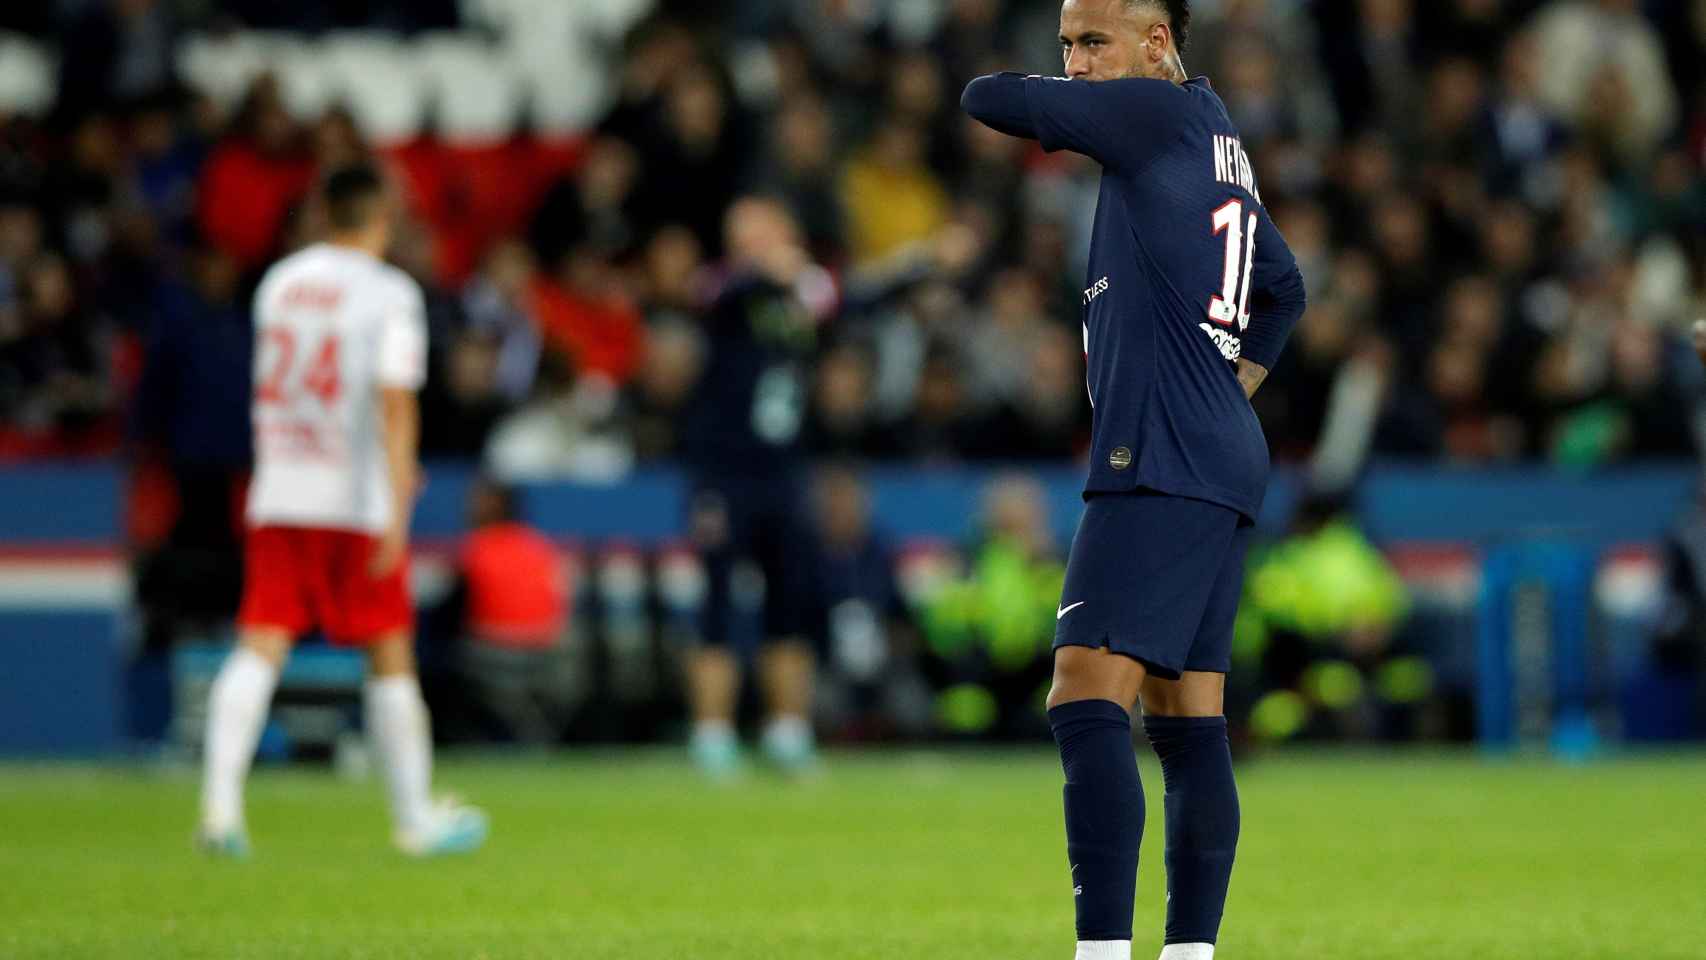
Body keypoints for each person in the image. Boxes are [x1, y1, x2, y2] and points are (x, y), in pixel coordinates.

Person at [962, 3, 1306, 959]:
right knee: (1186, 715)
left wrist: (1201, 394)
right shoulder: (1214, 136)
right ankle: (1189, 952)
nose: (1073, 63)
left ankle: (1101, 951)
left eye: (1093, 41)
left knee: (1081, 693)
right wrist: (1230, 384)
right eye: (1065, 44)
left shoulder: (1151, 115)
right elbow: (1282, 287)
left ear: (1158, 42)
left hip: (1161, 451)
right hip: (1217, 448)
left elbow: (985, 96)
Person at [196, 164, 487, 858]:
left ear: (324, 214)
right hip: (353, 497)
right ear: (382, 218)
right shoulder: (389, 294)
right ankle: (415, 820)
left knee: (260, 643)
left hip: (281, 487)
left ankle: (219, 813)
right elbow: (393, 401)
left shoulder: (280, 284)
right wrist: (395, 508)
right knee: (388, 650)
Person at [677, 196, 827, 777]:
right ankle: (711, 735)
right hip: (723, 473)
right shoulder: (723, 288)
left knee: (788, 600)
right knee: (717, 598)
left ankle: (788, 730)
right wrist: (765, 273)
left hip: (784, 472)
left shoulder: (804, 295)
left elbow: (846, 299)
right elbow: (716, 295)